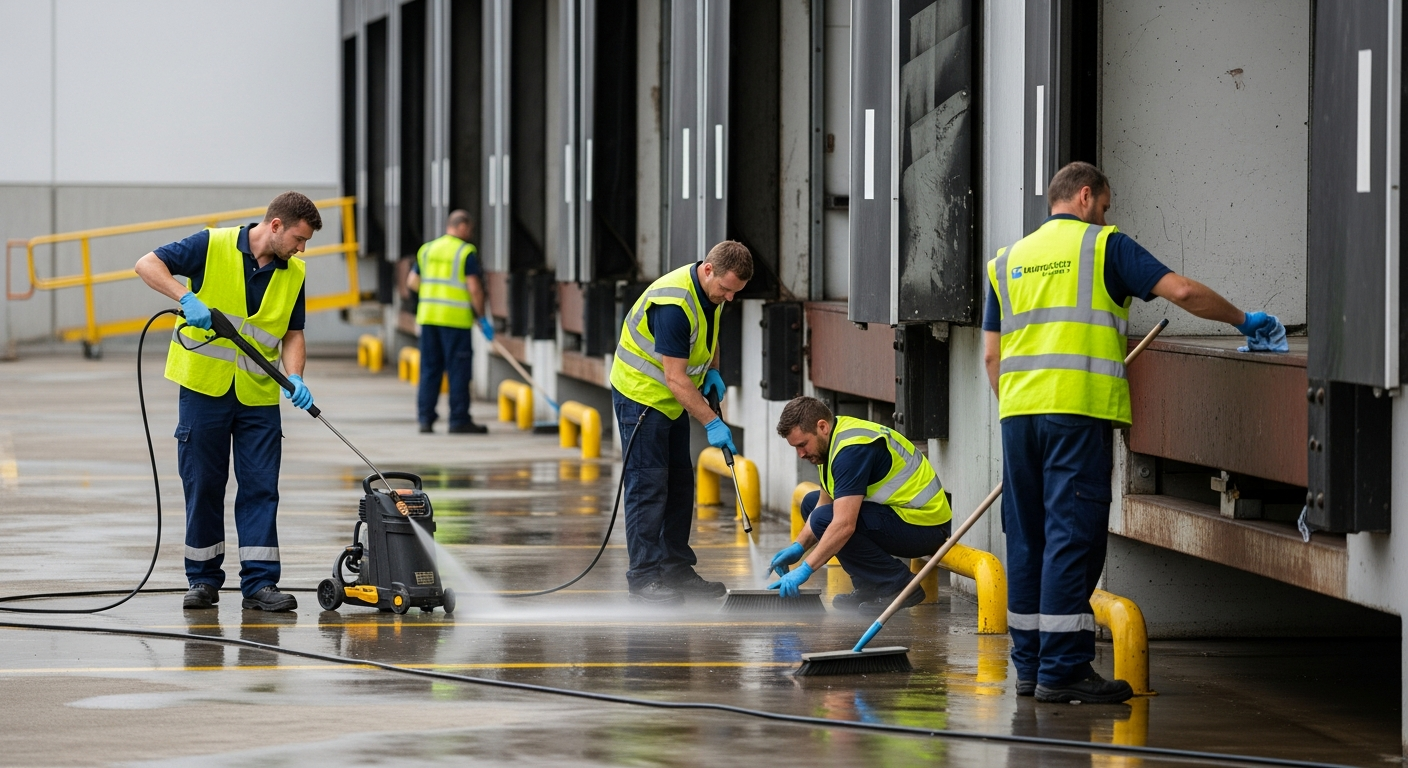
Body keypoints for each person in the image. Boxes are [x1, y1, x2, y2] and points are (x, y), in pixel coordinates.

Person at [984, 161, 1287, 703]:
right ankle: (1063, 672)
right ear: (1084, 195)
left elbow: (990, 354)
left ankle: (1029, 668)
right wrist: (1244, 320)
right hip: (1076, 416)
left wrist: (1018, 404)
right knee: (1070, 538)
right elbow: (1184, 292)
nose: (1105, 214)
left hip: (1017, 417)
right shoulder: (1105, 246)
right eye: (1104, 205)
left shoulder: (1006, 261)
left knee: (1027, 538)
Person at [134, 191, 324, 612]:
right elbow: (147, 264)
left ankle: (259, 584)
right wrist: (184, 297)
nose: (301, 248)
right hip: (204, 390)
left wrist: (296, 376)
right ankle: (202, 580)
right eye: (298, 238)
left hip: (258, 396)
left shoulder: (293, 272)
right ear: (275, 225)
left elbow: (293, 333)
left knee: (261, 488)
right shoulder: (212, 245)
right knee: (203, 485)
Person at [610, 241, 752, 604]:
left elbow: (710, 331)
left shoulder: (712, 293)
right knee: (648, 486)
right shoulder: (673, 305)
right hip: (643, 397)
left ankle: (675, 569)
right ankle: (643, 579)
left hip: (673, 400)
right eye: (726, 289)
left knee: (679, 483)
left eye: (736, 292)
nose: (729, 298)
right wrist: (712, 421)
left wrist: (714, 371)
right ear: (709, 270)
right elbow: (674, 378)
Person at [767, 397, 954, 614]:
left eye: (802, 444)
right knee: (811, 504)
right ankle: (869, 586)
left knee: (826, 520)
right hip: (901, 517)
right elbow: (823, 502)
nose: (800, 454)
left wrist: (805, 569)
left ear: (822, 427)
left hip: (925, 527)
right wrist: (798, 547)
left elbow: (844, 524)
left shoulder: (852, 450)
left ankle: (899, 584)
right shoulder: (831, 443)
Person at [405, 210, 493, 434]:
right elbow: (475, 288)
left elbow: (412, 281)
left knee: (430, 370)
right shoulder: (465, 252)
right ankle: (459, 420)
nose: (469, 234)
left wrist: (428, 297)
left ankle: (426, 420)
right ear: (462, 226)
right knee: (458, 371)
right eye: (469, 229)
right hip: (455, 322)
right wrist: (482, 317)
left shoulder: (427, 249)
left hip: (428, 318)